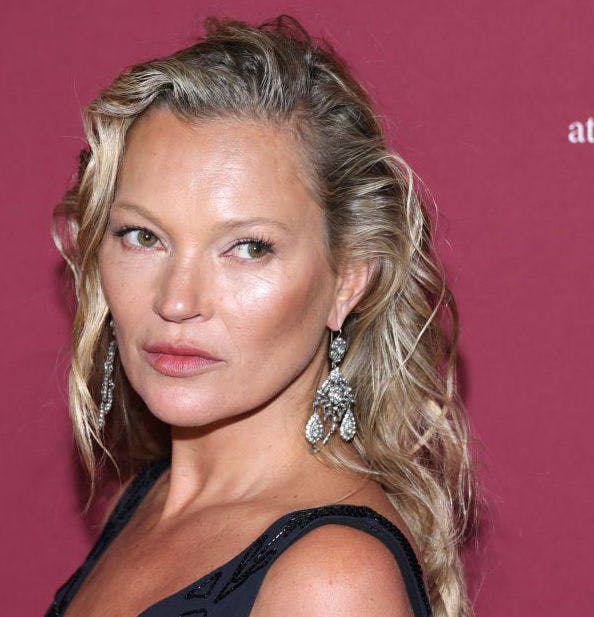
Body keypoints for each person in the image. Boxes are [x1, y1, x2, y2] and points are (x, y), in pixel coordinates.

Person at [47, 15, 476, 617]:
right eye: (143, 236)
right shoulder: (145, 502)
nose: (176, 301)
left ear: (348, 280)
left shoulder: (331, 581)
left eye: (248, 248)